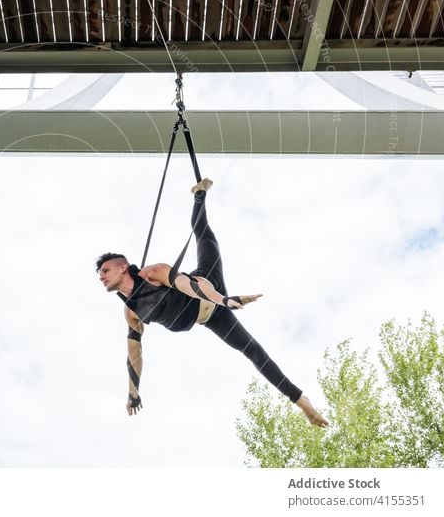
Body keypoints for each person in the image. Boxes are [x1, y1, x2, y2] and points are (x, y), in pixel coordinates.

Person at [96, 178, 328, 427]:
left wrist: (225, 300)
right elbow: (134, 353)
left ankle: (199, 194)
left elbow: (191, 286)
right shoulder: (131, 311)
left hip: (209, 279)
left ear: (122, 267)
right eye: (99, 274)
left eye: (106, 270)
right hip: (211, 317)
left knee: (203, 233)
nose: (101, 276)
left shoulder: (154, 273)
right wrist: (134, 391)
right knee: (251, 350)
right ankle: (301, 399)